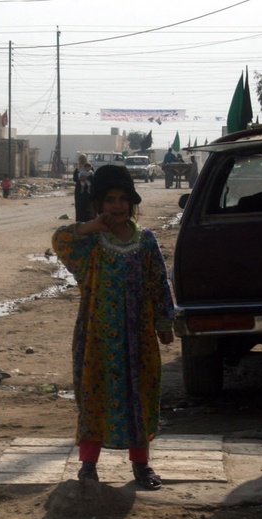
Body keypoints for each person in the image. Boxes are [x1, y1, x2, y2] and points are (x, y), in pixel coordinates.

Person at [51, 164, 175, 489]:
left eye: (122, 199)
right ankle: (88, 466)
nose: (117, 206)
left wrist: (164, 322)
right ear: (98, 204)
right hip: (97, 338)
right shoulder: (91, 242)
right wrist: (91, 225)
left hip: (139, 338)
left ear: (132, 203)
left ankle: (141, 466)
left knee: (140, 396)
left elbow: (159, 283)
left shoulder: (146, 241)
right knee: (94, 396)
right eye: (109, 200)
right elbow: (60, 240)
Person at [72, 154, 91, 222]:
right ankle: (80, 222)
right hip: (80, 190)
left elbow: (92, 177)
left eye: (83, 159)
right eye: (81, 159)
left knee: (87, 206)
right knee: (79, 206)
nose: (82, 161)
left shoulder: (89, 168)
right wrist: (80, 178)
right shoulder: (77, 169)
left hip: (87, 190)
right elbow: (75, 178)